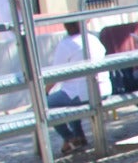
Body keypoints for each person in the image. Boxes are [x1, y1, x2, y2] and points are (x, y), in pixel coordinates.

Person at [45, 20, 107, 155]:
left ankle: (70, 138)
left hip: (83, 92)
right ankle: (79, 136)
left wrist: (45, 91)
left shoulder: (67, 44)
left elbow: (56, 73)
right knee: (68, 100)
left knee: (45, 105)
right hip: (104, 88)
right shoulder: (93, 39)